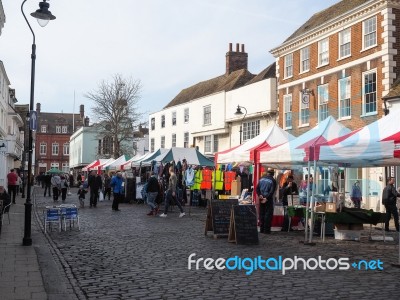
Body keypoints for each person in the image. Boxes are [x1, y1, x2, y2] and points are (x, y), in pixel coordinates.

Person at [256, 168, 277, 234]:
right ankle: (266, 230)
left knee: (262, 214)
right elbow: (272, 191)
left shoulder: (261, 179)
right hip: (268, 199)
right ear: (273, 174)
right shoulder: (273, 180)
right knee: (268, 215)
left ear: (267, 173)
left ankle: (261, 229)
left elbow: (257, 189)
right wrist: (266, 198)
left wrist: (260, 195)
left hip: (261, 198)